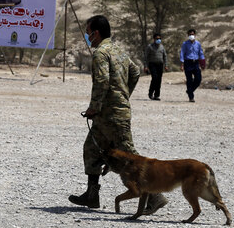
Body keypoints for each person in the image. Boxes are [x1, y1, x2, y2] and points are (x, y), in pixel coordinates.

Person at [69, 15, 168, 214]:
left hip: (110, 115)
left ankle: (155, 196)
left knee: (130, 157)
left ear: (96, 33)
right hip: (110, 114)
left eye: (88, 33)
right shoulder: (118, 51)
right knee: (91, 149)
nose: (87, 36)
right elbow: (135, 72)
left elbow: (103, 81)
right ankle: (91, 195)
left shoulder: (100, 53)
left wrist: (94, 107)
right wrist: (124, 94)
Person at [180, 28, 205, 102]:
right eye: (190, 34)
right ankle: (191, 97)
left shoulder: (198, 44)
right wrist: (182, 64)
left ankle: (190, 91)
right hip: (188, 63)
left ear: (195, 35)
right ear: (188, 35)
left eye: (192, 34)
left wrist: (203, 63)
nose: (191, 35)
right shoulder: (185, 44)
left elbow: (201, 53)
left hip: (196, 63)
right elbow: (182, 54)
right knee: (189, 80)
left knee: (198, 79)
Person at [144, 32, 168, 101]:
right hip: (152, 64)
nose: (158, 40)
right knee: (154, 78)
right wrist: (145, 66)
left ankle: (156, 95)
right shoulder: (150, 47)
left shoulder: (162, 47)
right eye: (157, 38)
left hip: (160, 65)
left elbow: (165, 56)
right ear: (154, 39)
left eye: (160, 38)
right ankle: (150, 93)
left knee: (159, 80)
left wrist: (166, 65)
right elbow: (146, 57)